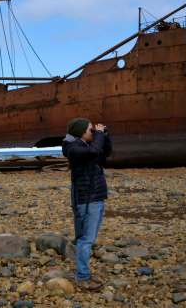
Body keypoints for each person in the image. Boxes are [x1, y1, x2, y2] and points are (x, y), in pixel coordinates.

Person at [62, 117, 112, 290]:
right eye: (91, 130)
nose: (93, 132)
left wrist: (105, 135)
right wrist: (98, 136)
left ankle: (81, 269)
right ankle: (83, 277)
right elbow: (93, 152)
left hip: (95, 197)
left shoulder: (86, 146)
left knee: (85, 238)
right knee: (86, 240)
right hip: (87, 199)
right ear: (81, 132)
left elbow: (105, 153)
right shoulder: (73, 149)